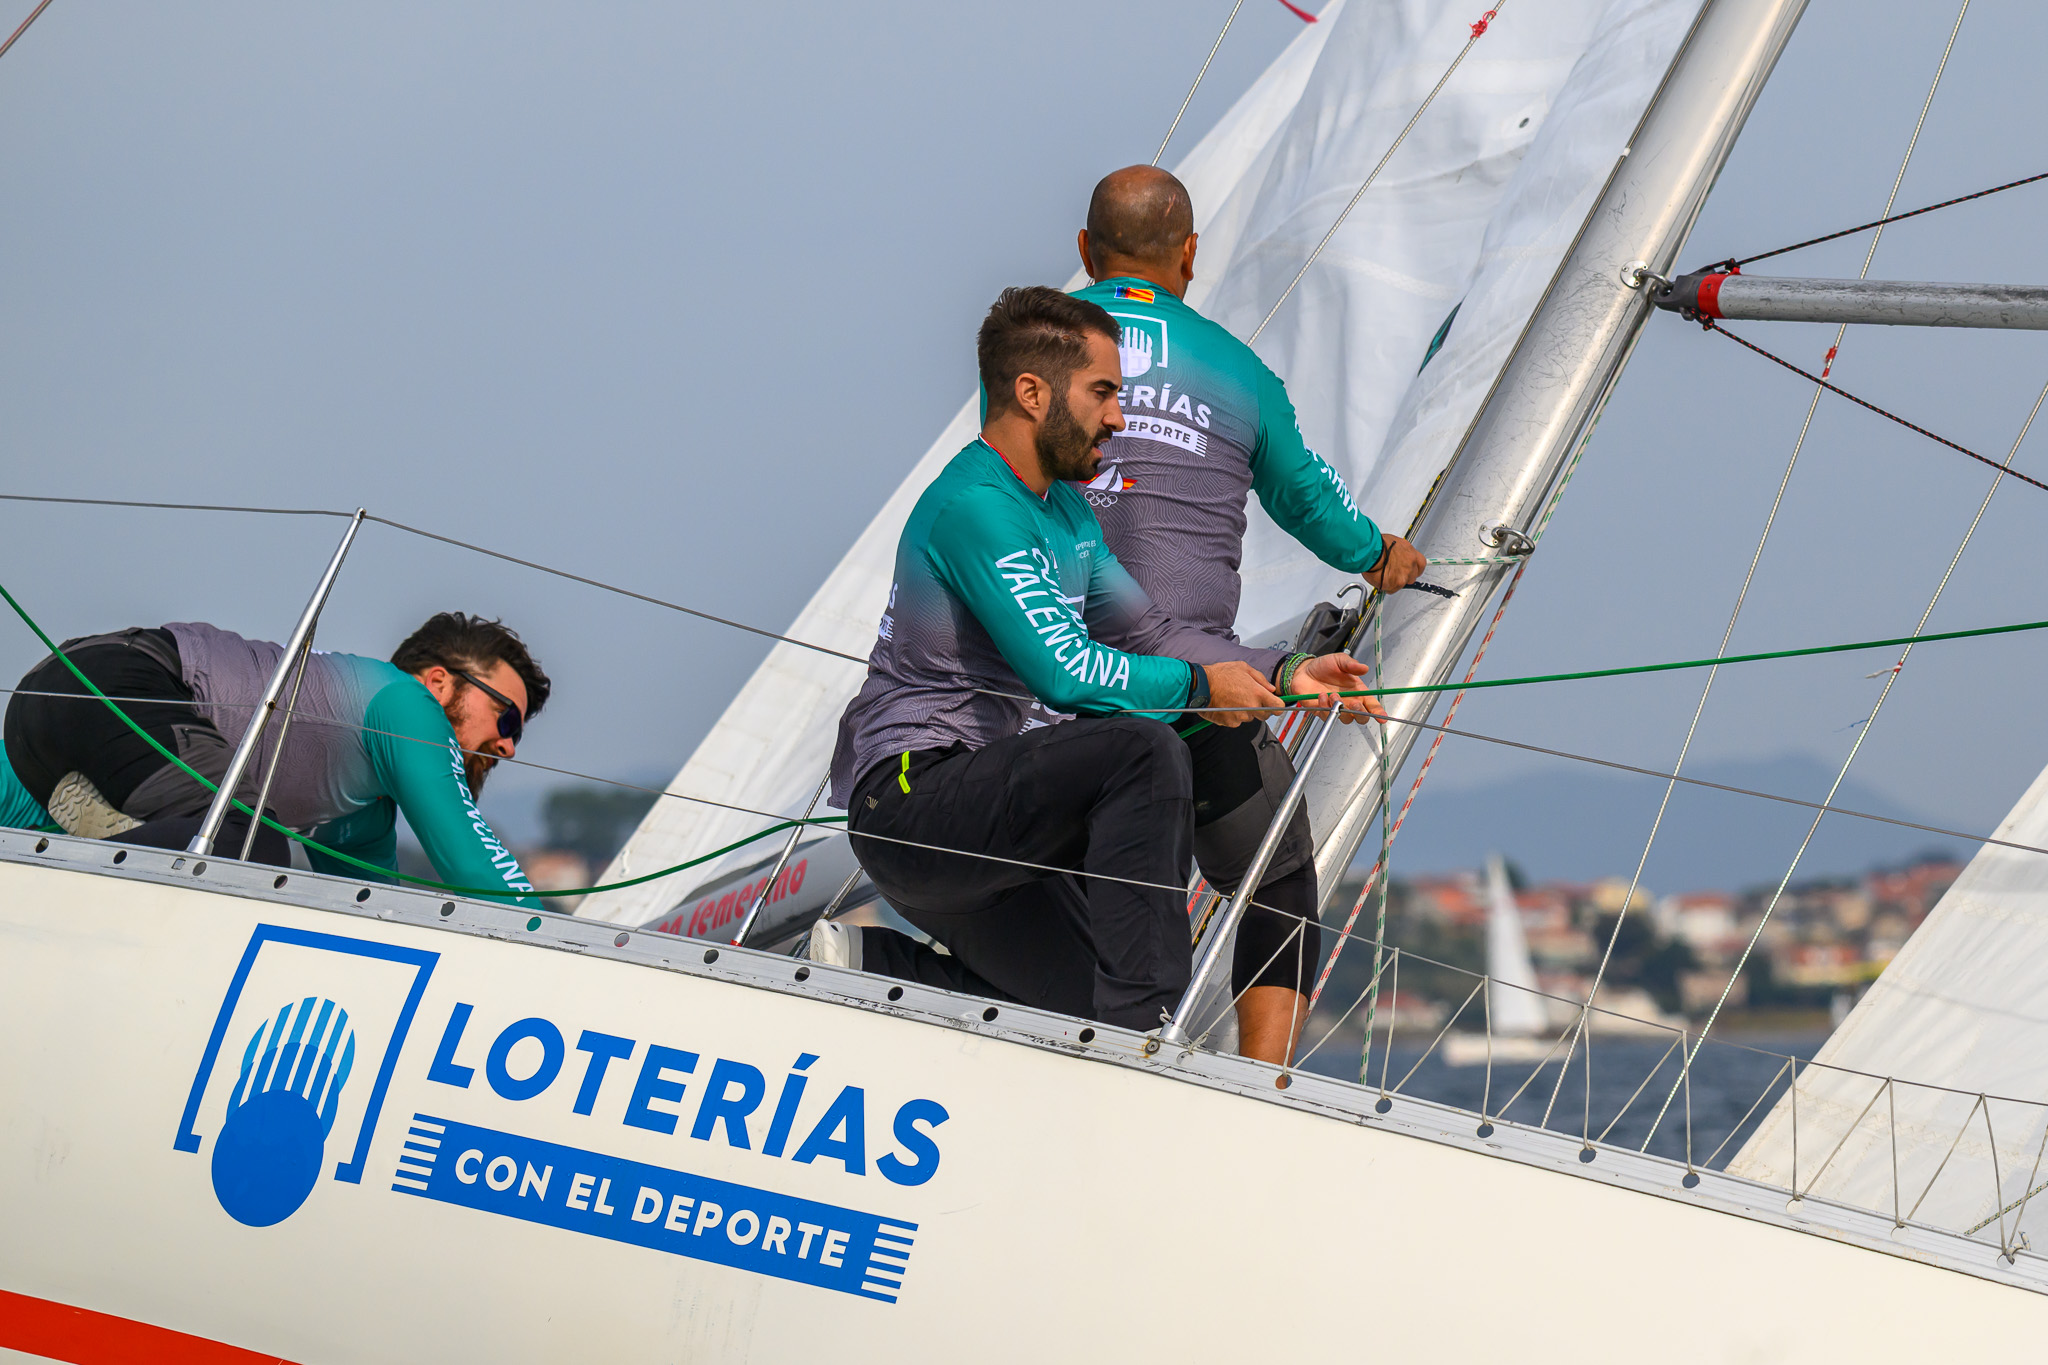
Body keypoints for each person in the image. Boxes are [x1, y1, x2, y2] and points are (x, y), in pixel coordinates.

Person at [819, 284, 1374, 1035]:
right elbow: (1066, 673)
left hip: (989, 827)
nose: (1118, 416)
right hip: (914, 805)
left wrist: (1284, 673)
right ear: (1031, 392)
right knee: (1142, 749)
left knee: (1084, 1007)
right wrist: (1200, 688)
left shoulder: (1068, 513)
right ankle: (1148, 1036)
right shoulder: (977, 507)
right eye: (1103, 392)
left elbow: (1146, 632)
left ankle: (866, 967)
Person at [1063, 164, 1430, 1062]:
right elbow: (1307, 501)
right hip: (1194, 689)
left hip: (1049, 682)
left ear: (1084, 251)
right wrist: (1382, 555)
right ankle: (1261, 1085)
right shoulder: (1236, 370)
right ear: (1189, 254)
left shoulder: (1037, 361)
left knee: (1071, 890)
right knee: (1277, 875)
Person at [1, 612, 548, 905]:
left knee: (224, 836)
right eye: (506, 720)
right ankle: (53, 890)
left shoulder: (358, 817)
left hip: (42, 725)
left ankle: (81, 850)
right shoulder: (407, 704)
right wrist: (548, 945)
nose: (509, 746)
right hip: (115, 685)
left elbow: (372, 916)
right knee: (251, 842)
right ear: (439, 682)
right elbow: (473, 864)